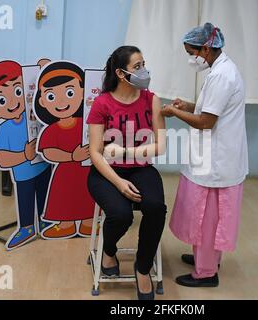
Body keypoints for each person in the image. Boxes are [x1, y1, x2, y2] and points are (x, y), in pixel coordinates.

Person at [161, 23, 248, 288]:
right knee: (207, 214)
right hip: (214, 157)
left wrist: (175, 113)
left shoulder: (222, 76)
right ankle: (205, 257)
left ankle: (206, 272)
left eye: (192, 52)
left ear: (206, 48)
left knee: (207, 217)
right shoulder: (219, 70)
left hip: (217, 161)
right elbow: (207, 108)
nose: (192, 58)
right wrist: (185, 105)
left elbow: (206, 122)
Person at [86, 46, 167, 300]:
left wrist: (123, 152)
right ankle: (108, 251)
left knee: (155, 207)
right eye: (137, 67)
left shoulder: (151, 100)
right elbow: (96, 153)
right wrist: (119, 183)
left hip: (141, 169)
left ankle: (142, 269)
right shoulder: (102, 103)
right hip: (105, 173)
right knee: (121, 215)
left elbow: (161, 146)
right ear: (121, 74)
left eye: (144, 64)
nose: (144, 71)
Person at [0, 60, 52, 250]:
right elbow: (2, 158)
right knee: (26, 199)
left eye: (18, 90)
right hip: (23, 175)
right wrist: (24, 155)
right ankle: (27, 227)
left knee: (45, 196)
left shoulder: (37, 115)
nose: (13, 101)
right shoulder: (5, 129)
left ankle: (45, 221)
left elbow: (50, 95)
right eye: (2, 99)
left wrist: (44, 69)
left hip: (44, 166)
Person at [34, 61, 96, 239]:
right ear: (42, 101)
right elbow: (48, 152)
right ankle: (66, 224)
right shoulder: (52, 129)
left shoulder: (86, 124)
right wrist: (71, 156)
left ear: (83, 92)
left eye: (70, 92)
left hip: (86, 170)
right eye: (52, 96)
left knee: (87, 194)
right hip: (65, 172)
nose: (61, 101)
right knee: (64, 196)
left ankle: (88, 223)